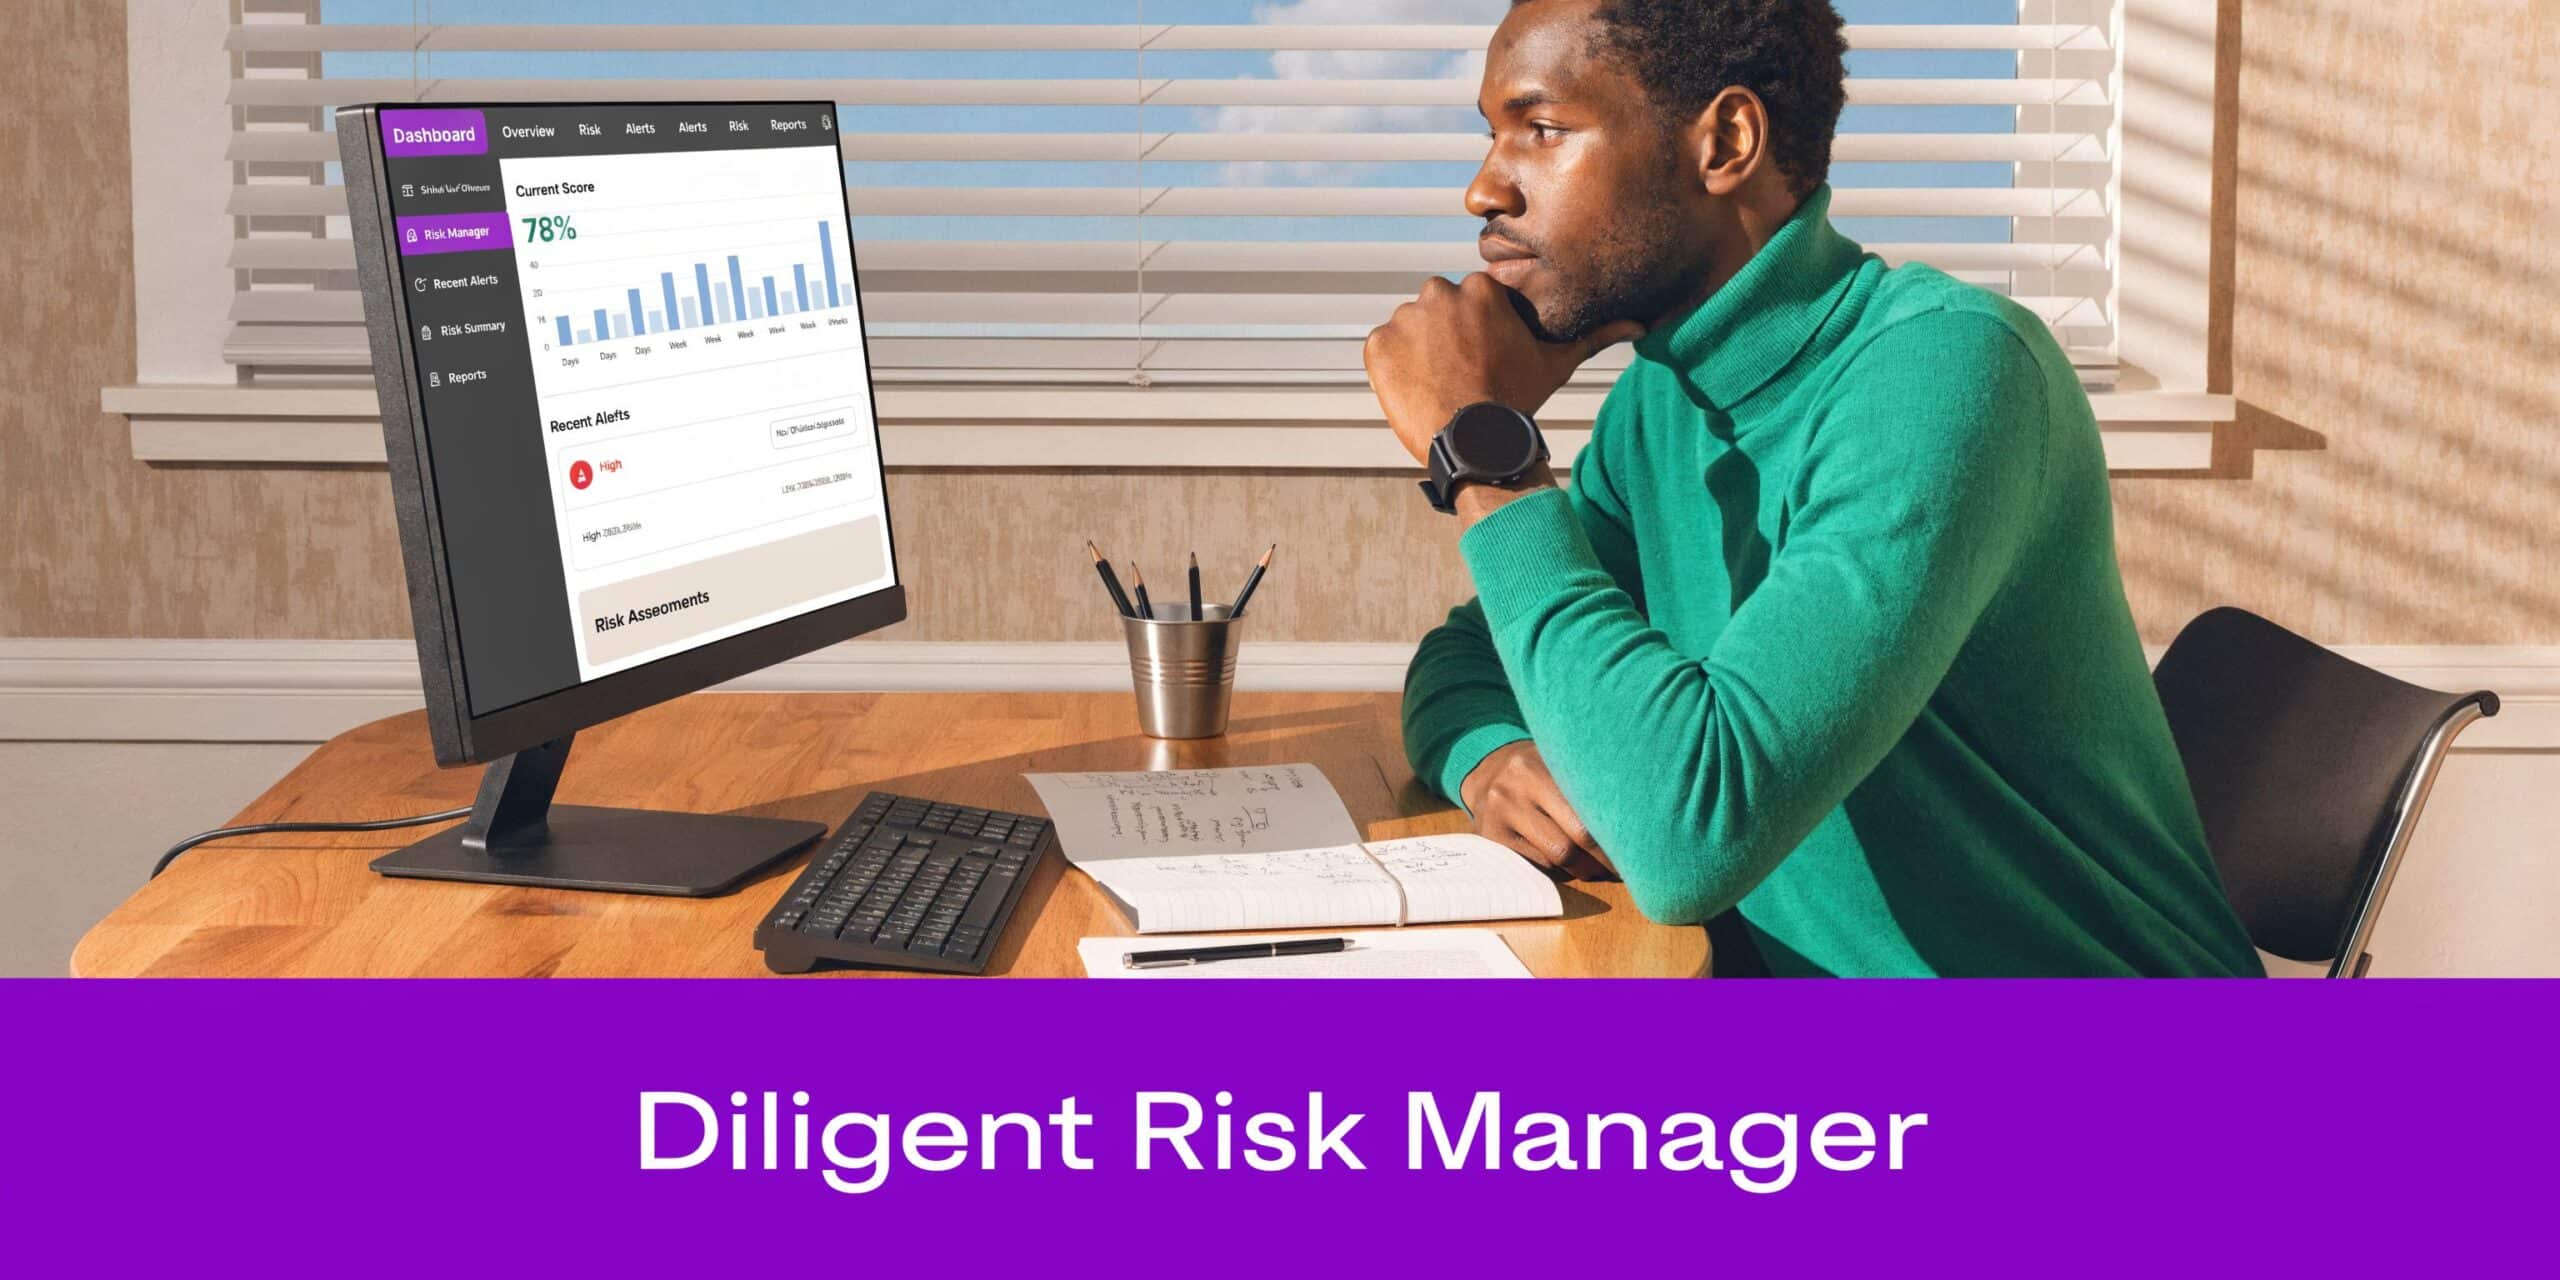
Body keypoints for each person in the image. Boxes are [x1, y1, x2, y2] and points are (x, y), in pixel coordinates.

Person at [1364, 0, 2261, 976]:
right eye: (1491, 134)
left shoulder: (1945, 372)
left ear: (1725, 142)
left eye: (1539, 130)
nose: (1481, 188)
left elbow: (1686, 842)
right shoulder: (1662, 401)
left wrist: (1479, 448)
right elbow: (1465, 657)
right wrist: (1490, 754)